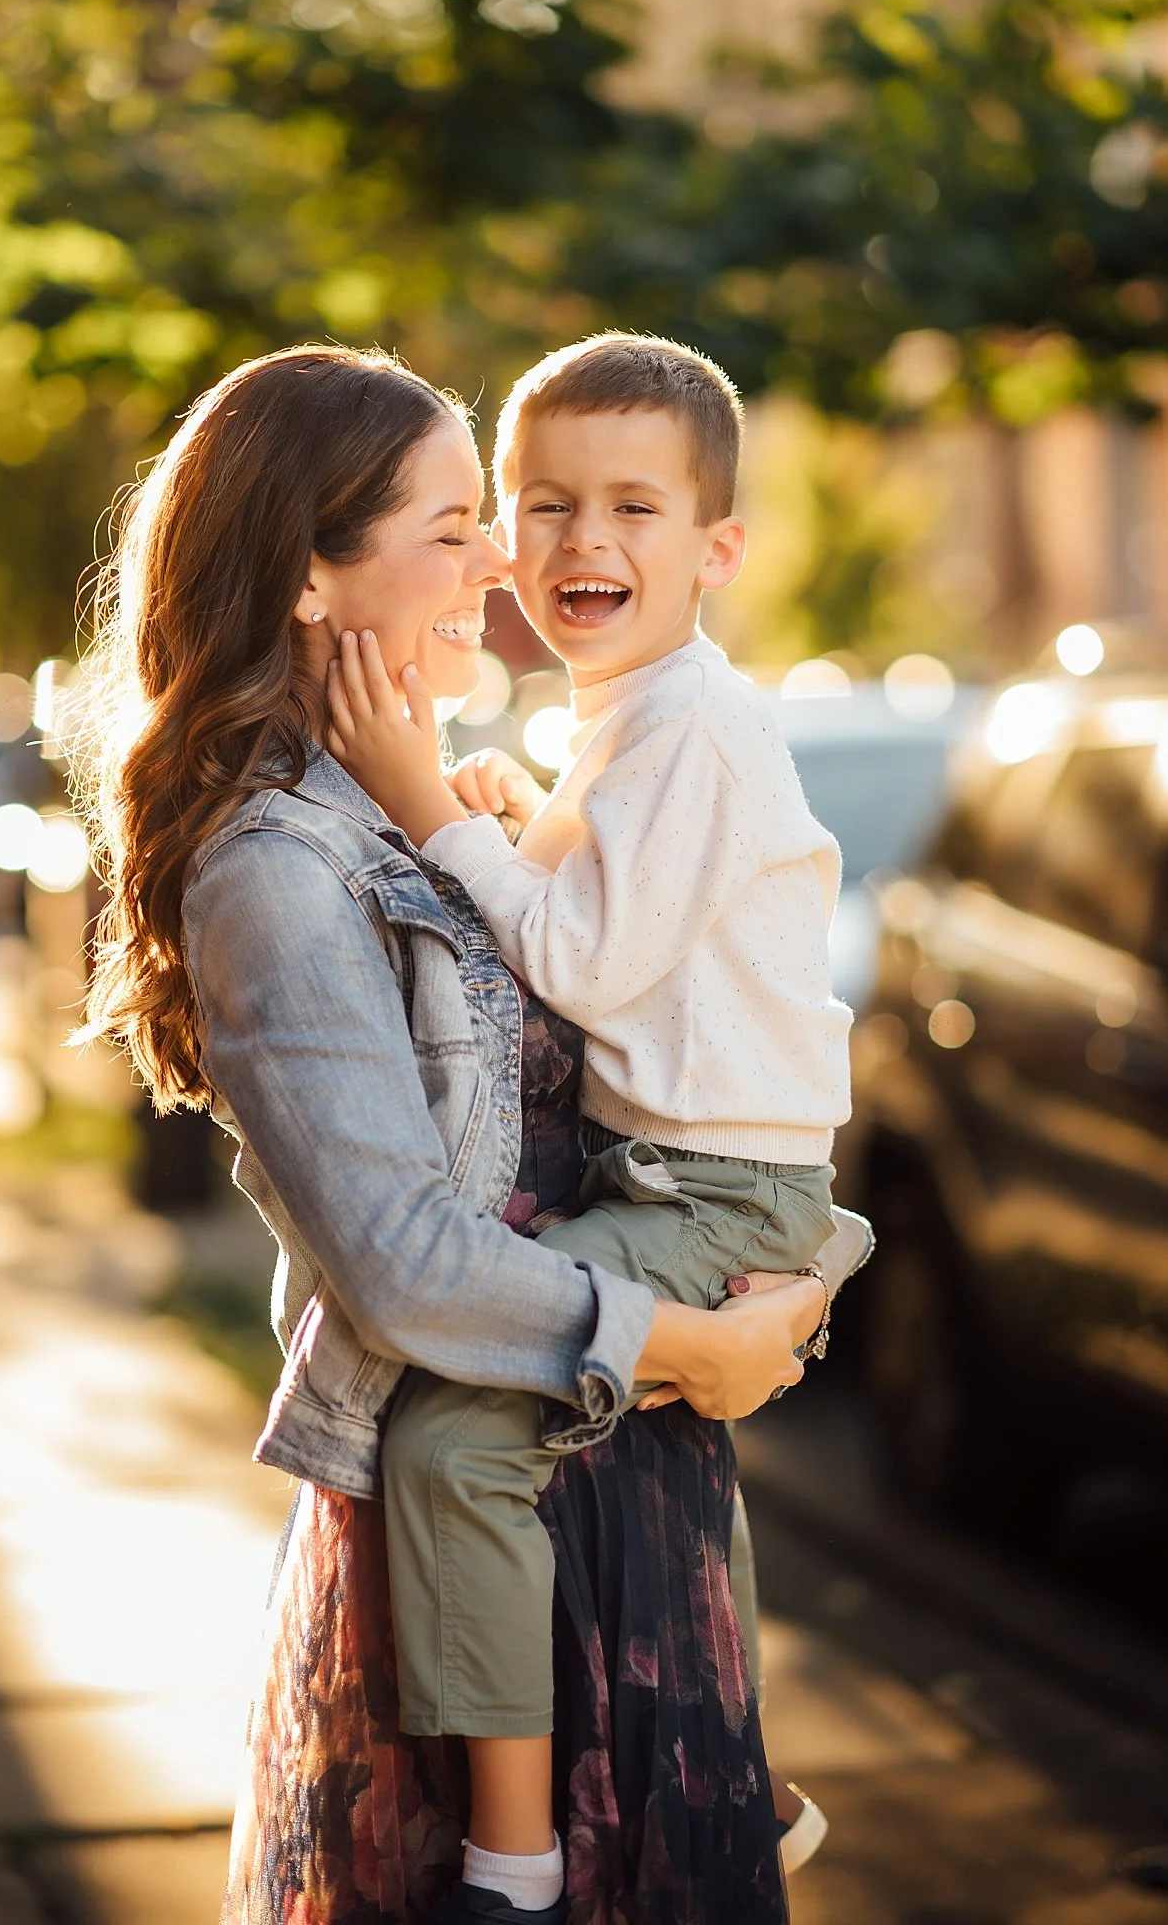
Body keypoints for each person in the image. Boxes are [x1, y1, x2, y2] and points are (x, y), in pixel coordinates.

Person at [73, 342, 825, 1924]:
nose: (509, 560)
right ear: (307, 574)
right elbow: (407, 1261)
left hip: (613, 1471)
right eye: (464, 520)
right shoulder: (278, 862)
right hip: (498, 1476)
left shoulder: (428, 790)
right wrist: (689, 1343)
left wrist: (463, 807)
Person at [326, 333, 856, 1919]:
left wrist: (423, 801)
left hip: (713, 1191)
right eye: (544, 504)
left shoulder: (692, 723)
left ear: (720, 550)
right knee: (628, 1444)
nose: (585, 542)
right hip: (692, 1175)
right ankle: (733, 1786)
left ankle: (512, 1863)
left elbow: (574, 961)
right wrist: (503, 808)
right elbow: (591, 905)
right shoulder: (624, 718)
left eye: (636, 506)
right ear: (500, 531)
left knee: (452, 1444)